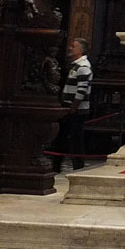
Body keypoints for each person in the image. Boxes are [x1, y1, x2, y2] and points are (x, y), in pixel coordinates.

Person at [52, 37, 92, 173]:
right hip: (69, 108)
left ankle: (78, 166)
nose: (70, 48)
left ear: (80, 50)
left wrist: (73, 107)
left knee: (75, 139)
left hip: (76, 111)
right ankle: (56, 165)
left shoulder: (83, 67)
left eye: (73, 46)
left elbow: (81, 90)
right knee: (62, 137)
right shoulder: (76, 65)